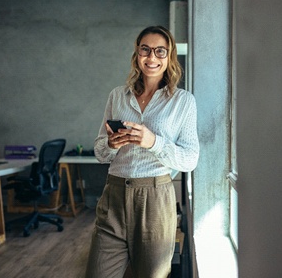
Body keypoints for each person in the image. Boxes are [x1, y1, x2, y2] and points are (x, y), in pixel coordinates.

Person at [85, 25, 199, 278]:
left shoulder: (183, 101)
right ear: (136, 54)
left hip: (155, 200)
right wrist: (112, 145)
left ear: (169, 57)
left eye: (160, 51)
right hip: (113, 195)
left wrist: (153, 142)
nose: (151, 57)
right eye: (145, 50)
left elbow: (190, 159)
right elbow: (100, 152)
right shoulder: (118, 96)